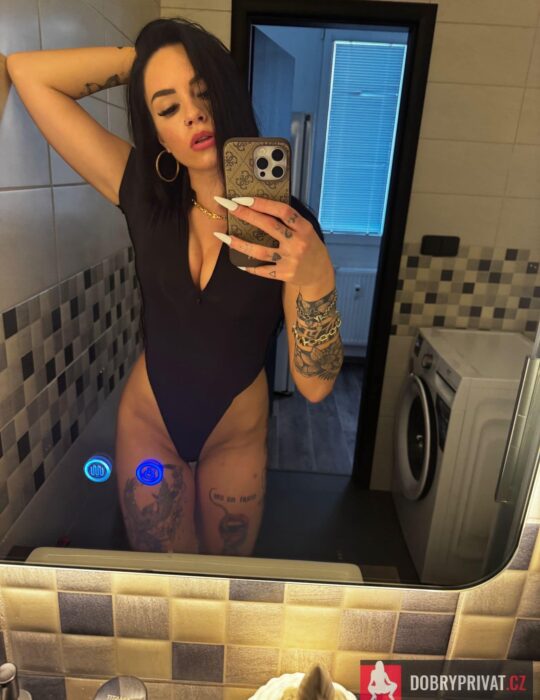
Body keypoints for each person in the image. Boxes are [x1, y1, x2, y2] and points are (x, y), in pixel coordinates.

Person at [6, 17, 344, 556]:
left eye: (204, 91)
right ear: (157, 131)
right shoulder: (141, 191)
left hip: (235, 437)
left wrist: (317, 276)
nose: (192, 114)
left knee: (218, 587)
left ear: (228, 94)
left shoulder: (290, 230)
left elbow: (316, 387)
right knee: (165, 589)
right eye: (167, 107)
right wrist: (143, 60)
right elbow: (28, 73)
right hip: (150, 424)